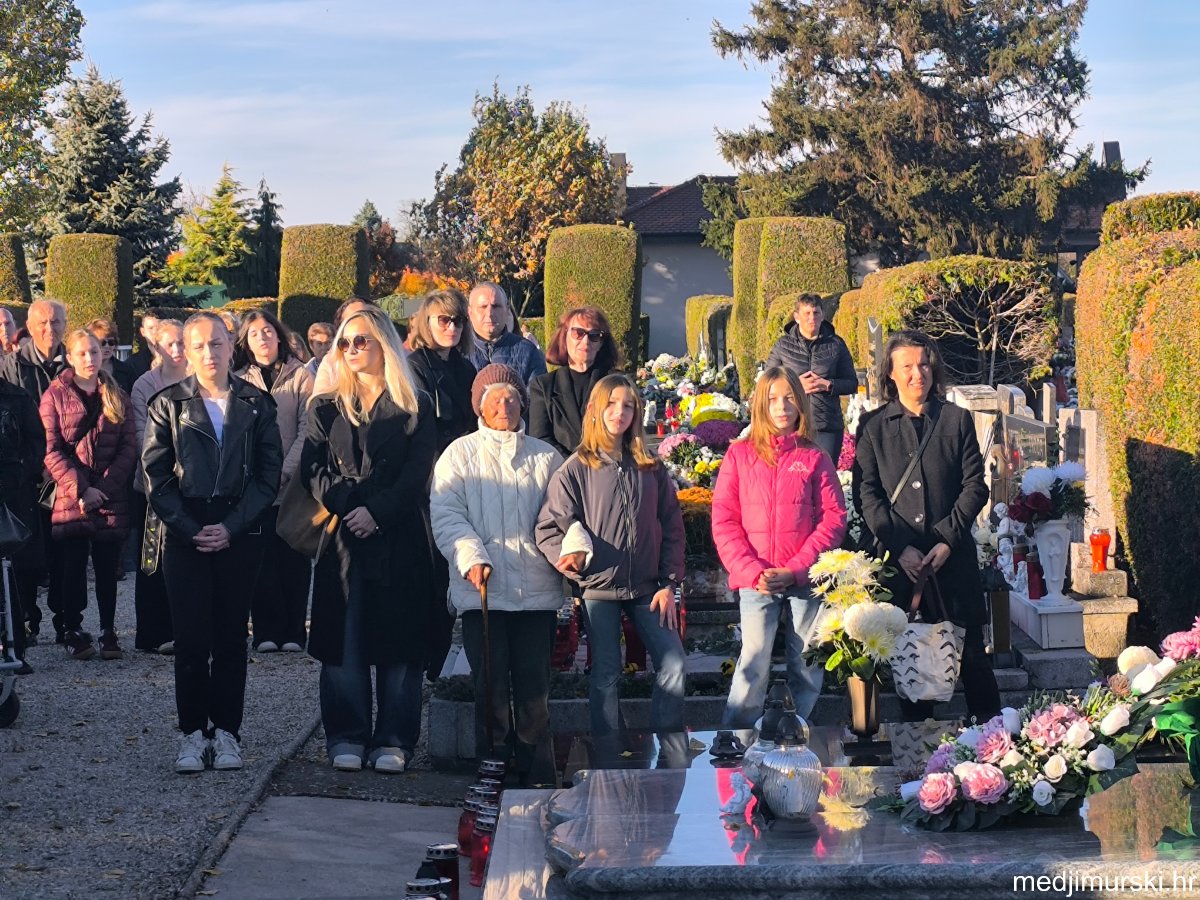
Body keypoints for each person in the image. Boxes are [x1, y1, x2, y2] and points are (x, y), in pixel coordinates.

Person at [143, 312, 282, 773]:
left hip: (238, 530)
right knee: (189, 637)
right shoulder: (167, 404)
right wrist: (189, 527)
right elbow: (155, 476)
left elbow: (268, 476)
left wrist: (232, 526)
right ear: (186, 350)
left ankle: (226, 732)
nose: (209, 353)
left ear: (230, 346)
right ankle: (191, 732)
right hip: (186, 530)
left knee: (229, 636)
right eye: (199, 345)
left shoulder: (257, 404)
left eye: (217, 344)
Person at [300, 306, 437, 773]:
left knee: (400, 636)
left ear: (384, 345)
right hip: (343, 535)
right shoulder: (324, 405)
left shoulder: (415, 405)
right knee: (344, 635)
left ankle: (394, 738)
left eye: (361, 340)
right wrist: (348, 505)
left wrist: (376, 513)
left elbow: (417, 473)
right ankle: (346, 734)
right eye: (344, 342)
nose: (351, 349)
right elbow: (312, 468)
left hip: (398, 534)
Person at [852, 329, 1001, 722]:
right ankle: (919, 751)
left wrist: (947, 538)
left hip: (952, 562)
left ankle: (994, 742)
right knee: (911, 665)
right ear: (891, 373)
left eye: (923, 364)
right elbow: (867, 494)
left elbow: (974, 485)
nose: (917, 373)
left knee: (973, 661)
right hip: (902, 568)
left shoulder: (956, 419)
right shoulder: (872, 427)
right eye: (907, 366)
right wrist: (900, 546)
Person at [430, 364, 563, 785]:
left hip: (536, 590)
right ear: (479, 407)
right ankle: (492, 763)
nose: (504, 406)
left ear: (523, 403)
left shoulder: (546, 457)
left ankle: (534, 767)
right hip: (482, 590)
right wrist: (470, 555)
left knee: (534, 685)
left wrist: (572, 551)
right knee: (489, 681)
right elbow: (447, 513)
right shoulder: (459, 455)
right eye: (494, 399)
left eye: (511, 398)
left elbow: (564, 513)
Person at [536, 374, 686, 736]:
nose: (620, 412)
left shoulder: (650, 467)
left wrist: (669, 582)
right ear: (595, 409)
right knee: (606, 673)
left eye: (628, 405)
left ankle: (667, 745)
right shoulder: (575, 469)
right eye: (612, 404)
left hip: (649, 589)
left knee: (675, 664)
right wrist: (573, 564)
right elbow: (548, 528)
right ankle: (608, 753)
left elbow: (672, 524)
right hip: (598, 590)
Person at [711, 366, 847, 724]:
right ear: (760, 405)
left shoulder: (814, 457)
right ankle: (737, 737)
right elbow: (724, 520)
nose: (782, 407)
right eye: (772, 399)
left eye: (789, 398)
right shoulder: (739, 455)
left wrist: (798, 569)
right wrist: (751, 571)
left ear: (800, 403)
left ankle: (794, 731)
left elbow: (833, 517)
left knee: (806, 662)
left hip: (803, 577)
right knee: (754, 659)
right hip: (756, 579)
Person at [40, 330, 138, 661]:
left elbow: (128, 447)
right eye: (82, 353)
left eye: (94, 351)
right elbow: (52, 449)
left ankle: (108, 629)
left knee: (108, 567)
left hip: (109, 494)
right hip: (73, 494)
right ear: (69, 357)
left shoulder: (116, 395)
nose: (89, 358)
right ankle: (72, 628)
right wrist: (82, 489)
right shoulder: (54, 395)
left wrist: (103, 490)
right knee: (72, 564)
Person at [233, 309, 314, 653]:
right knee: (260, 559)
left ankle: (294, 631)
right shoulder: (238, 380)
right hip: (254, 485)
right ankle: (266, 629)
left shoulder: (301, 376)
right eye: (254, 333)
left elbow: (309, 428)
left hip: (292, 486)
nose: (262, 338)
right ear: (245, 342)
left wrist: (284, 471)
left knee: (293, 559)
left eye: (267, 331)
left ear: (279, 336)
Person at [0, 298, 67, 644]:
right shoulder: (11, 367)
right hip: (26, 479)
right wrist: (31, 469)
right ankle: (26, 620)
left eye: (56, 321)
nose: (49, 328)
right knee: (23, 550)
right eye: (42, 322)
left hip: (66, 475)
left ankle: (66, 622)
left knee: (64, 553)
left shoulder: (76, 362)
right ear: (30, 326)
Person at [130, 318, 187, 653]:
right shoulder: (144, 385)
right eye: (170, 343)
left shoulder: (201, 379)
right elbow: (142, 436)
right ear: (156, 347)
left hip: (194, 486)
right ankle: (153, 633)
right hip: (154, 487)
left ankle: (186, 629)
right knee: (151, 558)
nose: (176, 349)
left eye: (182, 342)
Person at [764, 293, 857, 461]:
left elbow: (851, 383)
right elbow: (767, 383)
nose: (812, 318)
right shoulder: (783, 346)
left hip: (826, 425)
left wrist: (828, 385)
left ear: (822, 315)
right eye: (806, 313)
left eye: (816, 313)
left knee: (825, 473)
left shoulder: (836, 344)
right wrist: (795, 386)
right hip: (791, 424)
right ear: (796, 317)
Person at [528, 306, 622, 457]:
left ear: (601, 343)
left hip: (607, 465)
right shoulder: (543, 386)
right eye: (578, 333)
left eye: (594, 335)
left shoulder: (615, 383)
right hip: (560, 468)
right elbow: (540, 438)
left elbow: (626, 430)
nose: (586, 341)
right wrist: (575, 465)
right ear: (564, 337)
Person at [0, 377, 46, 672]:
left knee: (12, 573)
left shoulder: (18, 397)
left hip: (12, 496)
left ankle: (14, 647)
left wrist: (15, 479)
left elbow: (35, 444)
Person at [406, 290, 478, 454]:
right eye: (444, 320)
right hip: (433, 458)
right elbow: (421, 427)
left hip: (469, 455)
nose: (452, 327)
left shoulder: (467, 368)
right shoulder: (415, 367)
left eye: (458, 321)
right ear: (427, 323)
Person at [467, 282, 546, 383]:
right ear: (470, 312)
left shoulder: (528, 353)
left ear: (507, 310)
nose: (490, 313)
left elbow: (539, 391)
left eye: (496, 306)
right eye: (483, 307)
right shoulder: (458, 353)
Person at [312, 297, 378, 395]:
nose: (351, 350)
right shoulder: (330, 364)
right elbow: (319, 399)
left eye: (363, 317)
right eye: (350, 320)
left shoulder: (398, 363)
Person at [86, 317, 136, 395]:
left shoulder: (127, 371)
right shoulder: (83, 370)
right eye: (102, 342)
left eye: (111, 342)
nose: (107, 346)